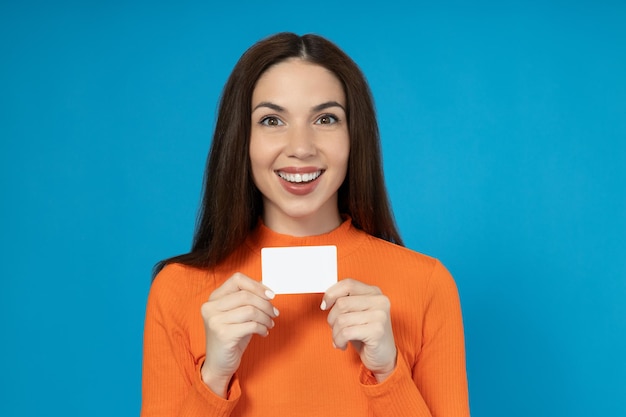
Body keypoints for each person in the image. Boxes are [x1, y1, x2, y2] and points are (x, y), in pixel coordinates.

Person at [141, 32, 470, 417]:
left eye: (326, 118)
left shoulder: (427, 286)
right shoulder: (178, 290)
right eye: (272, 120)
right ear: (241, 140)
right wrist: (213, 377)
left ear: (354, 137)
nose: (301, 146)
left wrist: (387, 372)